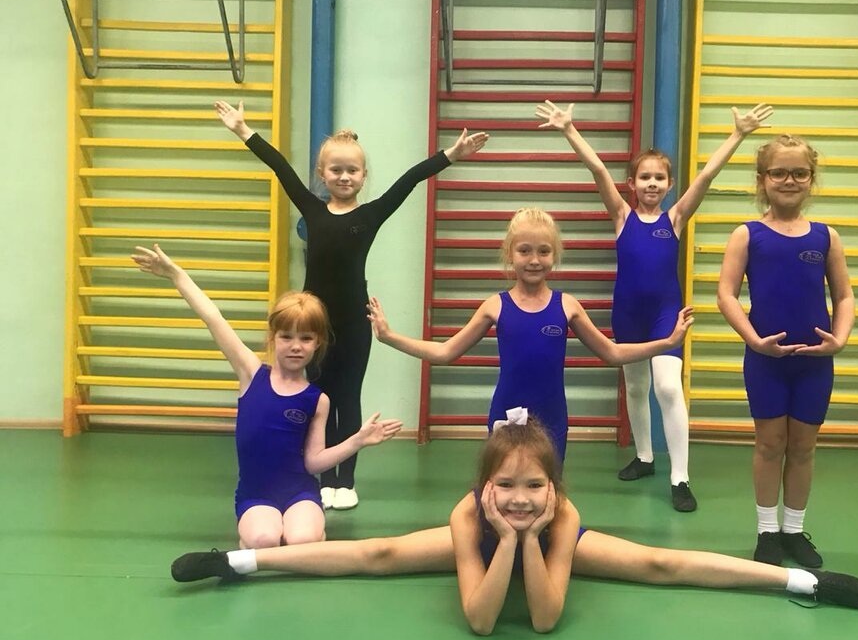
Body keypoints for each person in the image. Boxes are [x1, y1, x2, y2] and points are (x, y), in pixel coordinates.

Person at [170, 417, 858, 633]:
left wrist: (532, 534)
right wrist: (504, 534)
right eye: (504, 486)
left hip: (550, 546)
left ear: (555, 489)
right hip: (488, 545)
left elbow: (542, 618)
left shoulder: (561, 514)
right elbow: (481, 620)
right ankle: (237, 563)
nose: (518, 497)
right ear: (483, 489)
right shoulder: (469, 513)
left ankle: (803, 581)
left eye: (533, 486)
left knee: (661, 564)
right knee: (378, 553)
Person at [215, 100, 488, 509]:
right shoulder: (312, 208)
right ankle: (325, 478)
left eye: (352, 171)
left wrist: (451, 154)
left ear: (363, 176)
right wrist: (242, 129)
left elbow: (411, 179)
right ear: (322, 174)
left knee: (348, 398)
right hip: (313, 326)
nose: (344, 177)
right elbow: (279, 167)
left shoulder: (372, 214)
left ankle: (346, 481)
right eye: (336, 170)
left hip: (355, 324)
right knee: (319, 399)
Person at [535, 100, 773, 511]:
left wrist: (738, 134)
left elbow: (706, 176)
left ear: (670, 183)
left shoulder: (675, 219)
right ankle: (644, 457)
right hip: (628, 312)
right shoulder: (622, 216)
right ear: (631, 183)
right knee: (635, 386)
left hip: (665, 314)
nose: (652, 184)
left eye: (659, 178)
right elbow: (598, 170)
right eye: (644, 177)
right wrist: (569, 129)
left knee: (666, 386)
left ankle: (680, 477)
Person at [365, 207, 694, 462]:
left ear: (555, 255)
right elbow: (445, 352)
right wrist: (390, 337)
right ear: (510, 254)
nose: (534, 260)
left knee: (546, 493)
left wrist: (666, 343)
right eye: (524, 251)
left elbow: (612, 353)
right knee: (503, 489)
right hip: (506, 413)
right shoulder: (495, 306)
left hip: (553, 417)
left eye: (543, 251)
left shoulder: (567, 306)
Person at [131, 244, 402, 548]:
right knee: (265, 539)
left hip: (300, 492)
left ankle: (311, 531)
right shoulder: (251, 373)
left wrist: (357, 440)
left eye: (306, 338)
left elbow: (314, 463)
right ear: (274, 338)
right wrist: (177, 276)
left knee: (302, 540)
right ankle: (259, 533)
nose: (296, 346)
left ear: (317, 343)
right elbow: (213, 318)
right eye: (287, 337)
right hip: (257, 494)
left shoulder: (317, 400)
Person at [716, 135, 855, 569]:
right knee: (770, 443)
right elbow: (726, 294)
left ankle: (793, 530)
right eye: (779, 173)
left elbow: (844, 296)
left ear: (811, 179)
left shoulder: (826, 237)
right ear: (762, 179)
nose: (789, 180)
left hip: (814, 362)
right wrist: (753, 340)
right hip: (766, 361)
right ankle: (767, 531)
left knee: (804, 447)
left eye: (799, 173)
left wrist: (839, 339)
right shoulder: (747, 234)